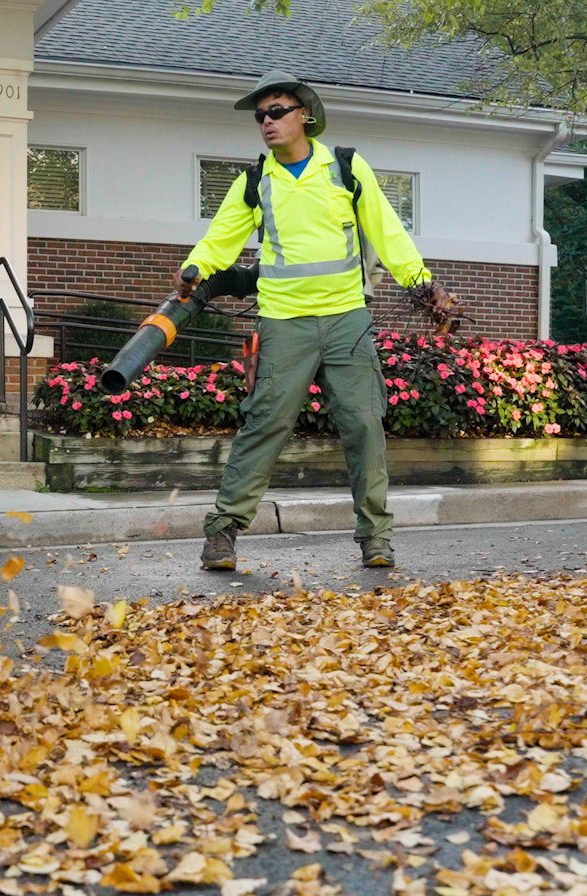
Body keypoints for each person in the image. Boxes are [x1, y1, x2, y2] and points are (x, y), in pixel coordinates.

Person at [182, 70, 449, 572]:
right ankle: (222, 533)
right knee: (266, 424)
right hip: (284, 321)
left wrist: (422, 283)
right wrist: (194, 270)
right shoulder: (255, 181)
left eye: (276, 111)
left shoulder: (346, 168)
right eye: (261, 115)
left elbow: (387, 232)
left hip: (347, 319)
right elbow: (219, 241)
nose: (267, 121)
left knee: (365, 423)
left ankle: (376, 537)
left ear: (305, 114)